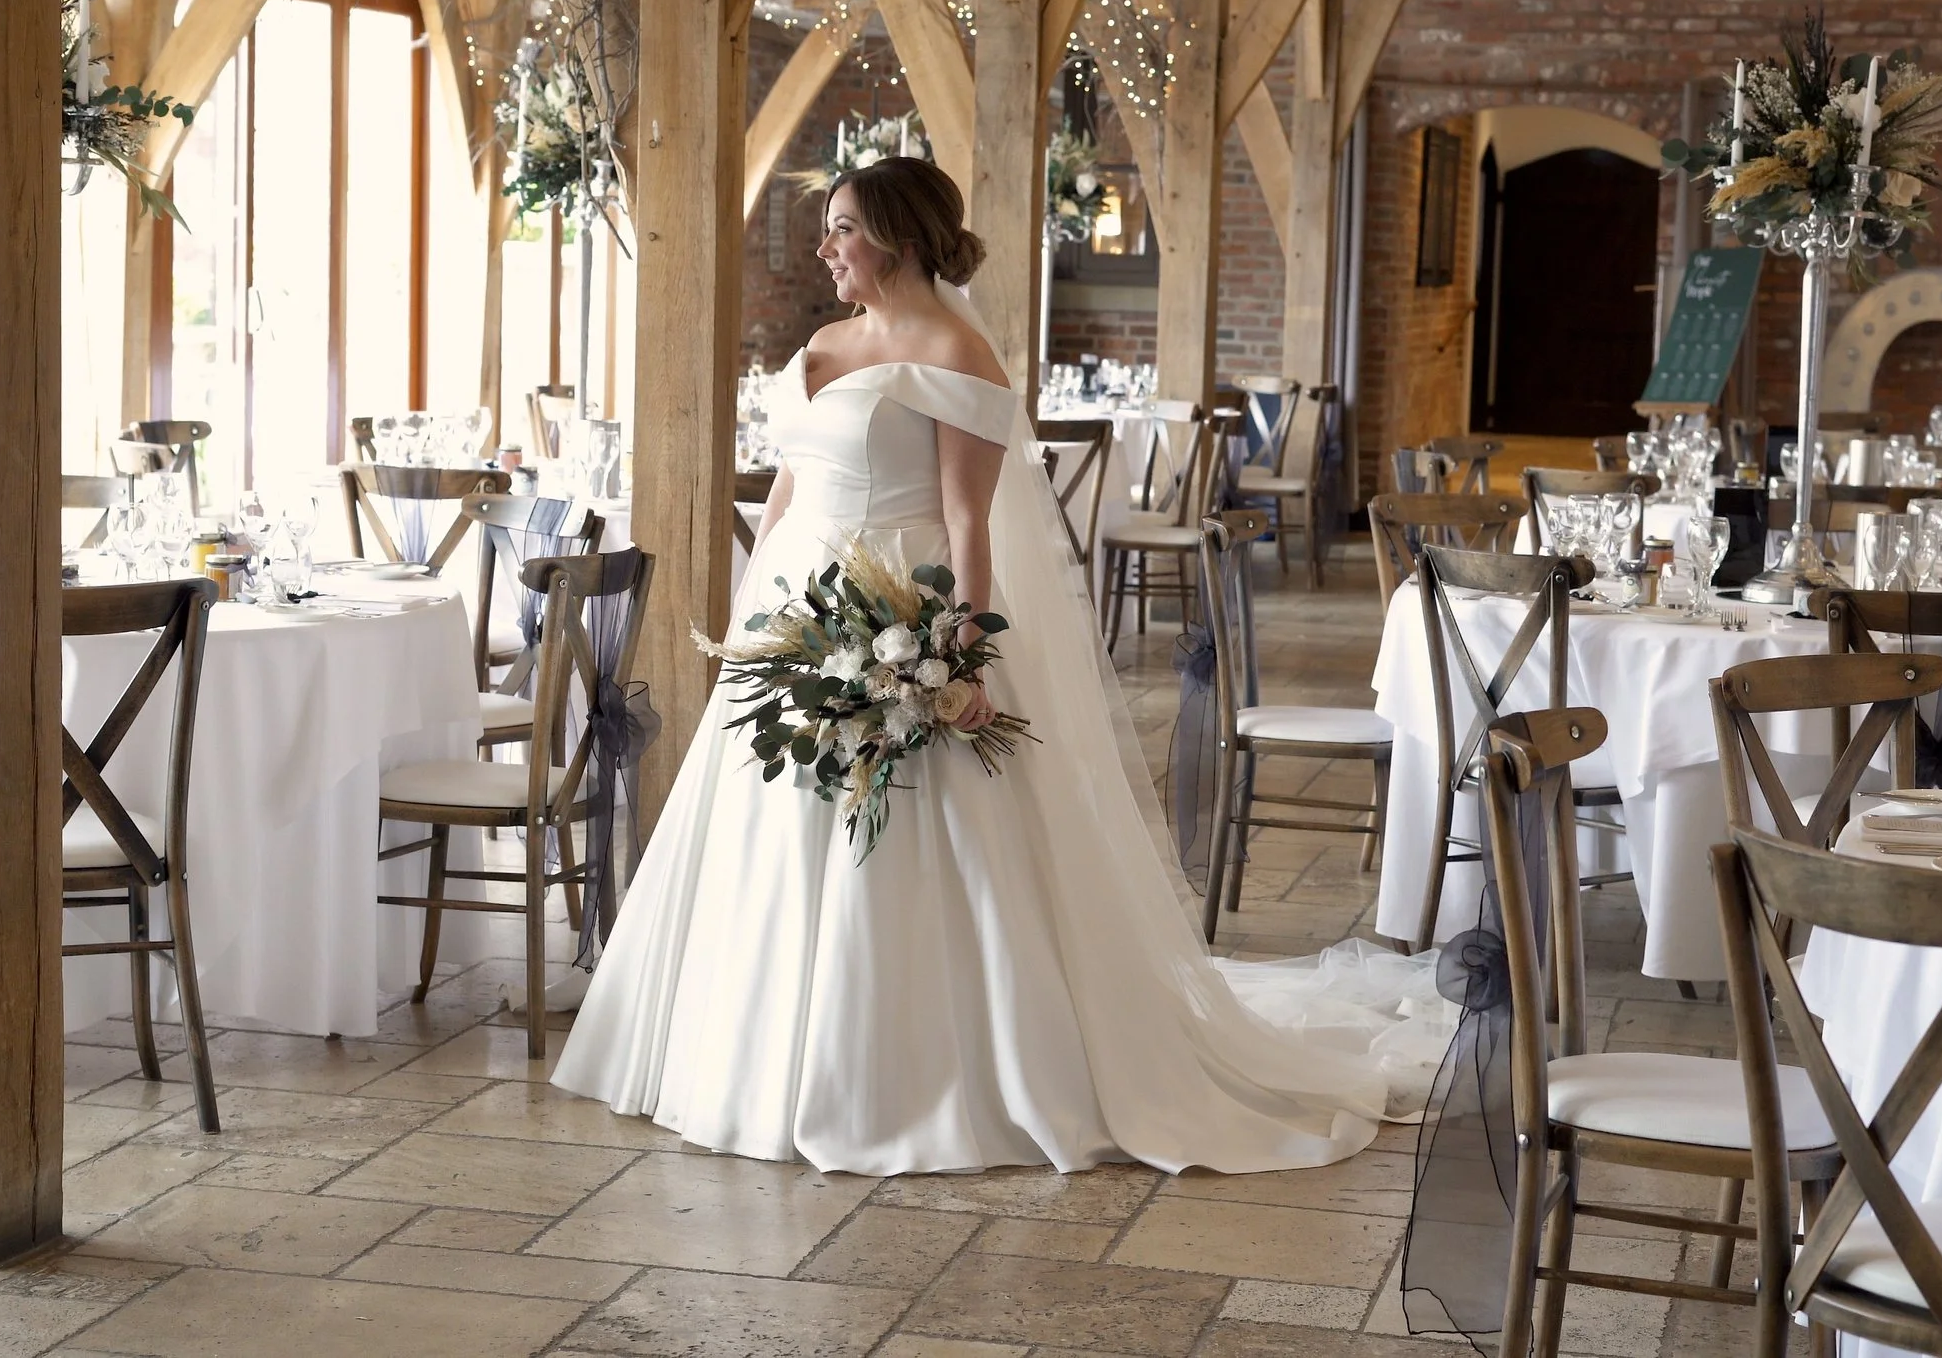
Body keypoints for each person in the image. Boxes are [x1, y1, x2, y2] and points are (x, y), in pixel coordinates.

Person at [551, 155, 1424, 1176]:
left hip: (893, 611)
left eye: (842, 228)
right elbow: (789, 485)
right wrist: (751, 614)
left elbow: (969, 521)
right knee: (766, 829)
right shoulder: (824, 341)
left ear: (898, 233)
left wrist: (957, 646)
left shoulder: (959, 354)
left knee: (907, 837)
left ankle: (906, 1070)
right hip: (796, 615)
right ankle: (734, 1056)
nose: (826, 246)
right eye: (827, 228)